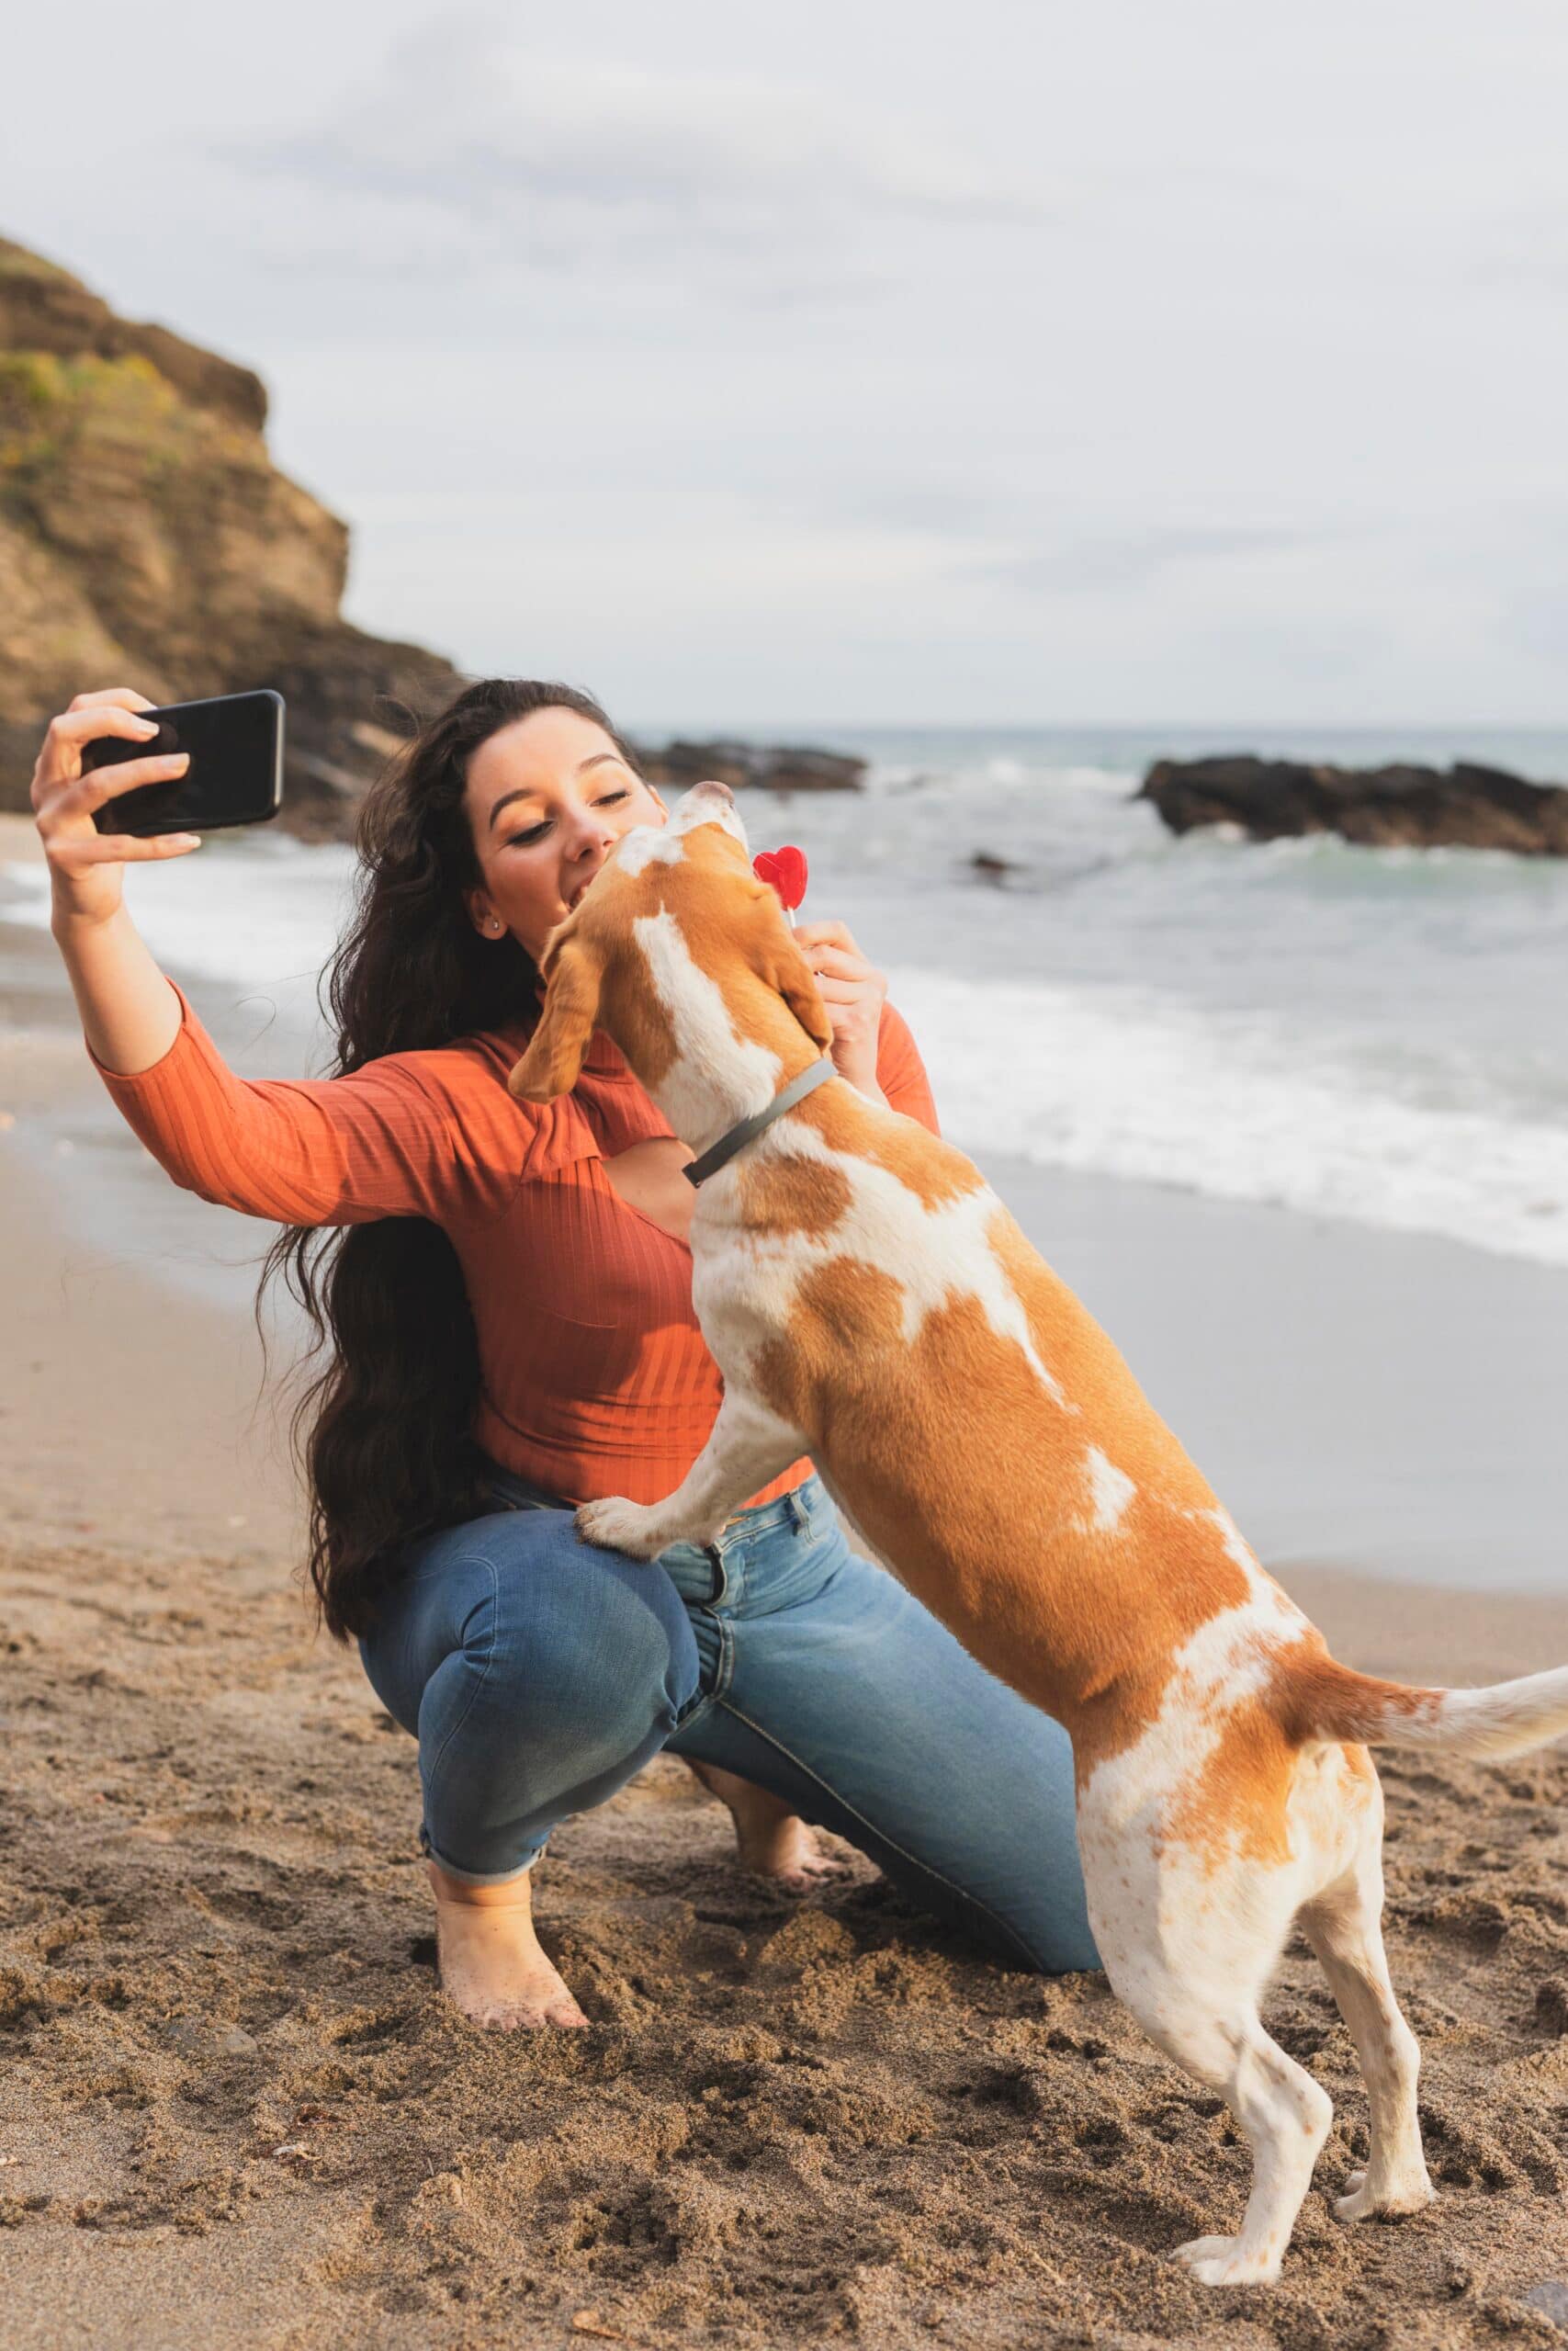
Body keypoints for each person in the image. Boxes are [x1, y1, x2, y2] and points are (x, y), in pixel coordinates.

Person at [30, 677, 1098, 2030]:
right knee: (593, 1634)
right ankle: (480, 1893)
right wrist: (91, 907)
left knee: (1078, 1923)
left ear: (665, 825)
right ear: (489, 905)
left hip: (785, 1568)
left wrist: (860, 1092)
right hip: (542, 1560)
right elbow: (229, 1141)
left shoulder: (836, 1041)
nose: (585, 833)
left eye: (609, 794)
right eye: (527, 826)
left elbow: (911, 1324)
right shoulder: (477, 1100)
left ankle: (752, 1768)